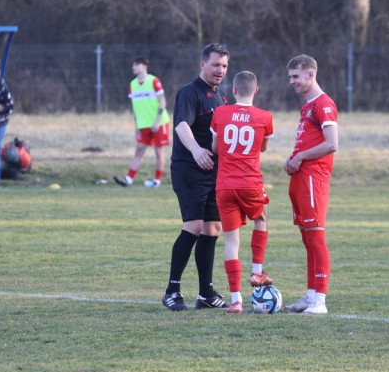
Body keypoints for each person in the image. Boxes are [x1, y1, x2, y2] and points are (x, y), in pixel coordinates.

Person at [161, 42, 231, 311]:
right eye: (216, 64)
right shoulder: (189, 92)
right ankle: (172, 290)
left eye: (224, 66)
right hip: (188, 168)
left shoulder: (221, 97)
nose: (220, 70)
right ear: (203, 64)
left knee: (213, 229)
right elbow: (180, 126)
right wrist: (196, 150)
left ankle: (206, 294)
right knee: (193, 226)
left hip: (213, 171)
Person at [210, 71, 274, 313]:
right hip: (250, 182)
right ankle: (257, 272)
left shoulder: (220, 113)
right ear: (256, 91)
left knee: (230, 241)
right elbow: (262, 148)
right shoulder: (265, 116)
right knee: (261, 217)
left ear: (233, 90)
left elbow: (216, 148)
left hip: (224, 184)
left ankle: (236, 300)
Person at [283, 54, 339, 314]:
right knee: (307, 239)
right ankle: (310, 295)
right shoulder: (307, 107)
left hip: (314, 178)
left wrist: (301, 157)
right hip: (300, 178)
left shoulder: (323, 104)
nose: (292, 82)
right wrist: (292, 158)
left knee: (316, 237)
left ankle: (320, 301)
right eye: (290, 77)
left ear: (310, 74)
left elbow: (331, 144)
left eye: (295, 76)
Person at [114, 57, 171, 188]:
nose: (133, 67)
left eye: (136, 65)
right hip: (143, 125)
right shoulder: (132, 85)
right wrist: (136, 126)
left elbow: (163, 102)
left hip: (159, 123)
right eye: (133, 65)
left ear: (144, 66)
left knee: (158, 152)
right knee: (139, 151)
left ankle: (157, 181)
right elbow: (134, 108)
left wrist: (157, 122)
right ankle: (128, 179)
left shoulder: (154, 81)